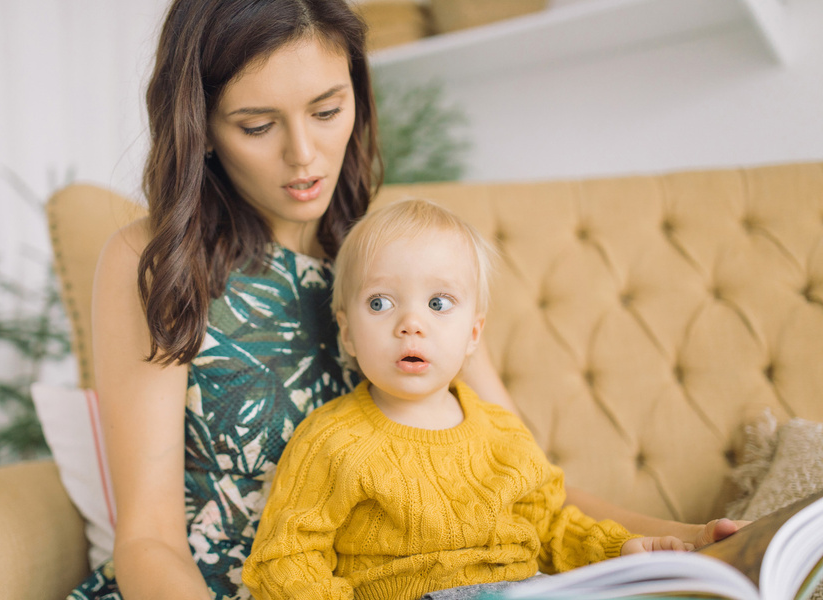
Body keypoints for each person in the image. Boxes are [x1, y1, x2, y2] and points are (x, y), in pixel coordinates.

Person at [70, 1, 740, 599]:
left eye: (328, 111)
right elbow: (148, 540)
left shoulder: (391, 260)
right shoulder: (155, 260)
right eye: (255, 126)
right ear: (202, 127)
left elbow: (527, 480)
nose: (304, 156)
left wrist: (695, 539)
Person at [241, 199, 690, 600]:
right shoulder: (331, 441)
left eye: (438, 303)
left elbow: (552, 527)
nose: (411, 323)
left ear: (473, 333)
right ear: (347, 333)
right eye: (380, 303)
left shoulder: (504, 434)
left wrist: (623, 549)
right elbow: (287, 558)